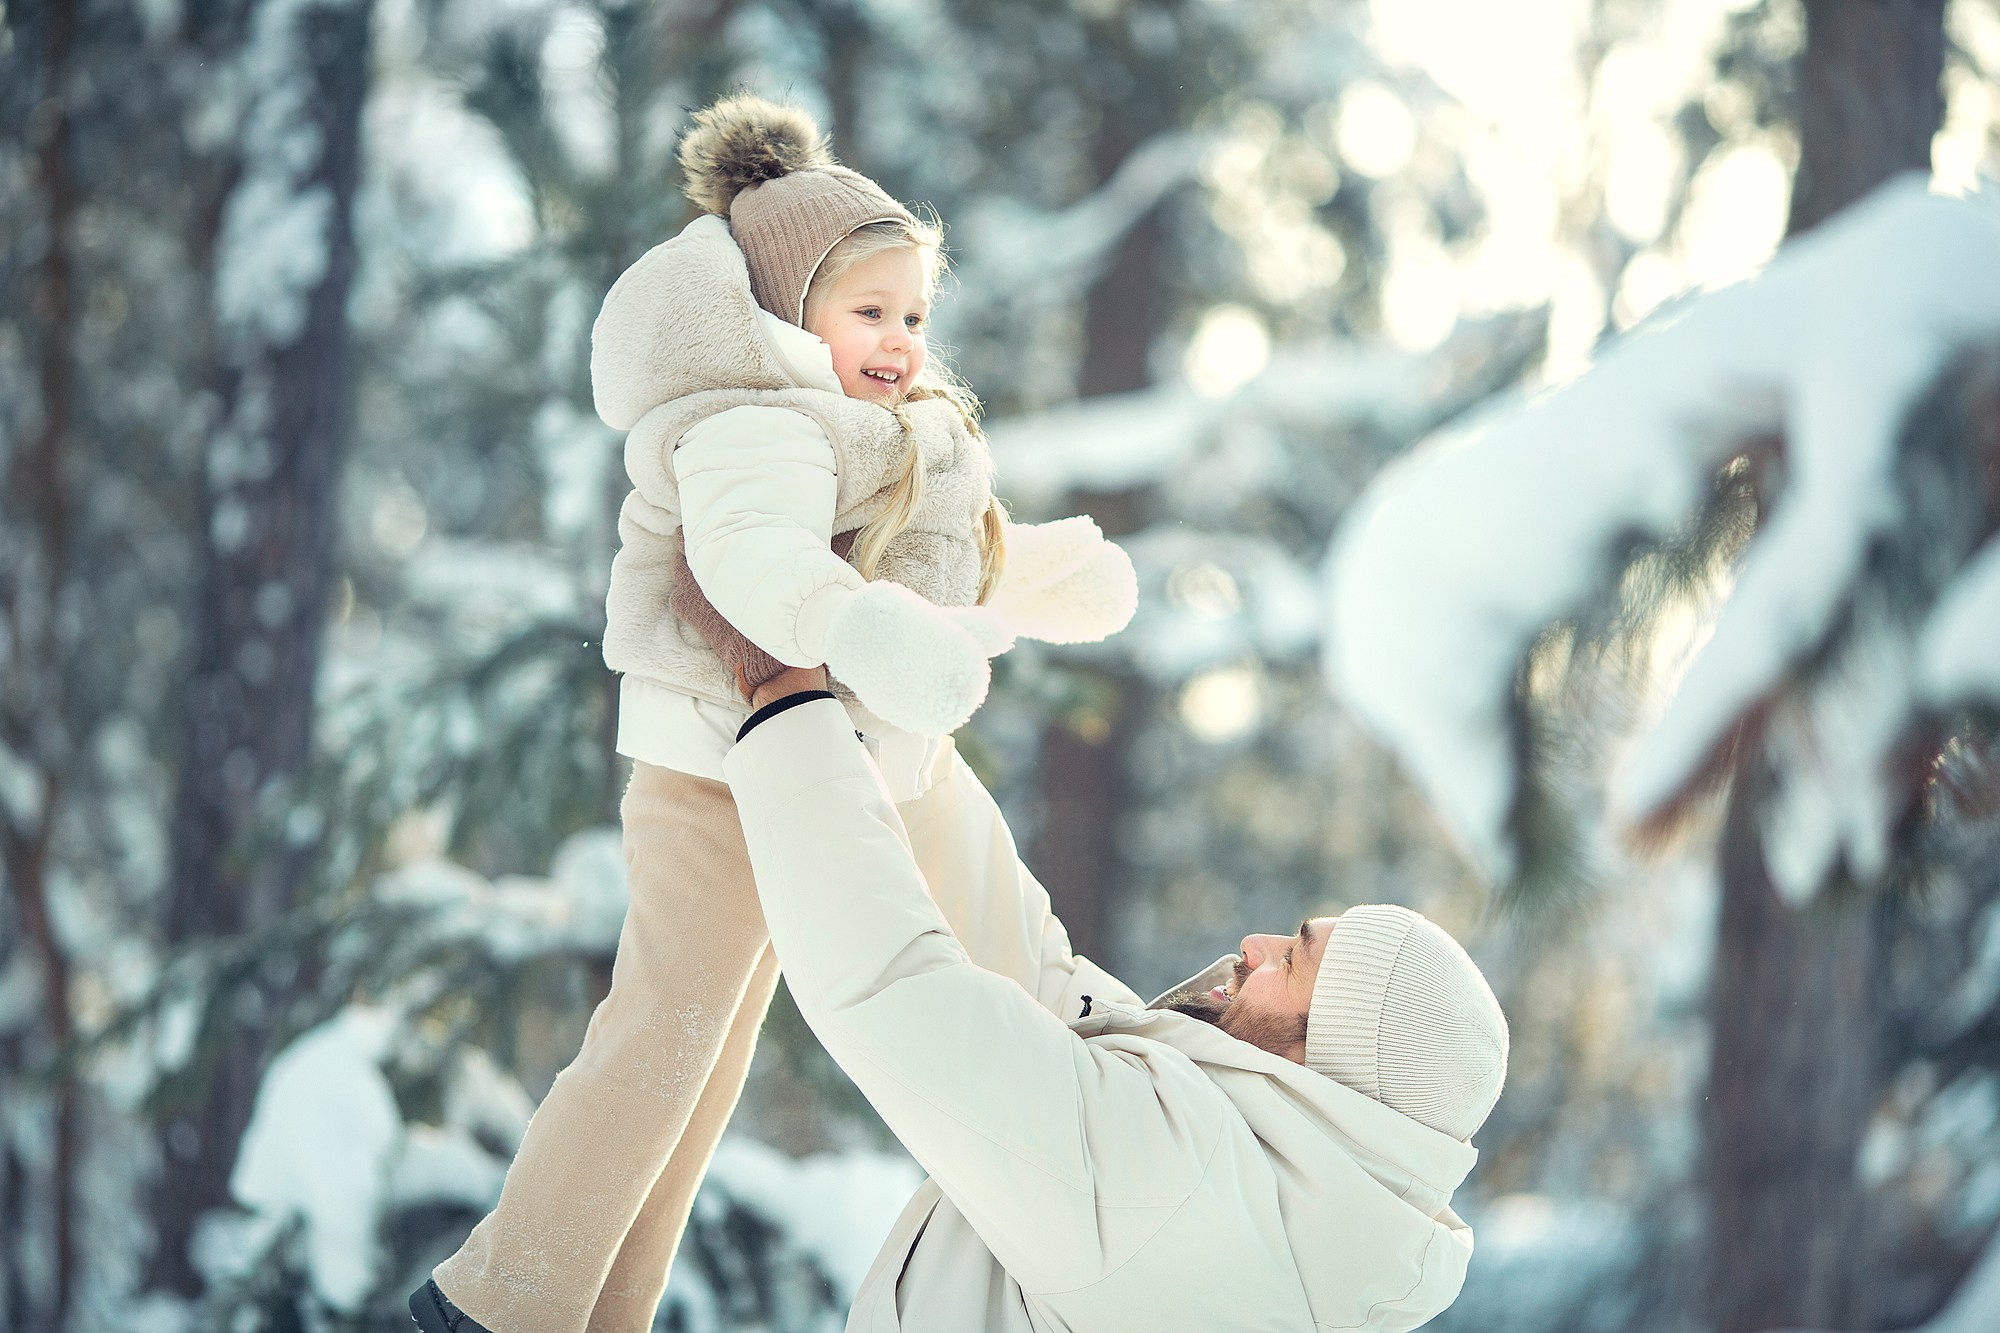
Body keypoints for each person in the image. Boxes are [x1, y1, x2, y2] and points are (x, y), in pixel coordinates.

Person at [409, 96, 1135, 1333]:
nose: (901, 339)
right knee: (660, 1030)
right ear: (785, 313)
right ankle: (501, 1301)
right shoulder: (756, 422)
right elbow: (756, 564)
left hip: (799, 775)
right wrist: (861, 632)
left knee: (702, 1057)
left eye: (913, 314)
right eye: (869, 313)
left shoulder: (885, 434)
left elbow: (939, 561)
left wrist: (1055, 575)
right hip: (715, 770)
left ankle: (601, 1309)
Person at [718, 663, 1509, 1331]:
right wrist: (897, 718)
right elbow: (1033, 975)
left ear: (1327, 1065)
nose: (1253, 946)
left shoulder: (1173, 1182)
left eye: (1291, 961)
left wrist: (788, 708)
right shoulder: (1273, 1214)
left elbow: (901, 993)